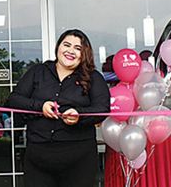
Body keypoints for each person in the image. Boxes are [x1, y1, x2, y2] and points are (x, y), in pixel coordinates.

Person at [6, 29, 110, 187]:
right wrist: (40, 106)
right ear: (58, 47)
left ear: (84, 54)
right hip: (38, 159)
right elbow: (13, 100)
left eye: (78, 48)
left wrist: (79, 114)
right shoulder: (37, 72)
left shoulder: (93, 77)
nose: (70, 51)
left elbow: (102, 109)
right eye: (66, 45)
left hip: (79, 160)